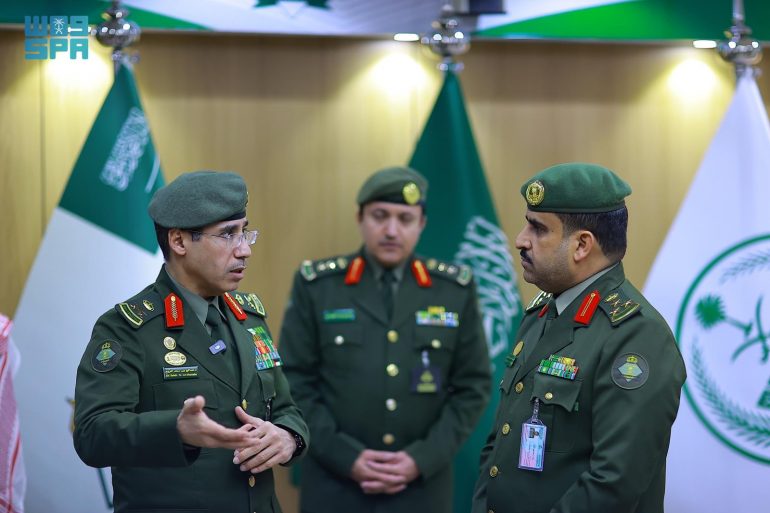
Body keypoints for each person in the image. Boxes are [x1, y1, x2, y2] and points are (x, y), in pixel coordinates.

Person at [74, 171, 309, 513]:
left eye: (245, 232)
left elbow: (286, 408)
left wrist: (288, 436)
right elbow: (91, 434)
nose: (244, 250)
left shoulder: (249, 317)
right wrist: (175, 430)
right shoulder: (128, 327)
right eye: (227, 234)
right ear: (179, 242)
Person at [472, 162, 686, 513]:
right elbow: (500, 444)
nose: (521, 240)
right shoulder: (542, 313)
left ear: (582, 245)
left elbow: (613, 483)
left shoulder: (636, 335)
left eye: (538, 228)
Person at [280, 166, 491, 513]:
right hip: (335, 484)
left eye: (405, 219)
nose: (392, 230)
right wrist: (345, 456)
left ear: (422, 224)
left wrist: (422, 458)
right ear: (360, 218)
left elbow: (473, 386)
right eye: (380, 216)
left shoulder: (453, 289)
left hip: (421, 489)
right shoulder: (318, 286)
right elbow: (293, 381)